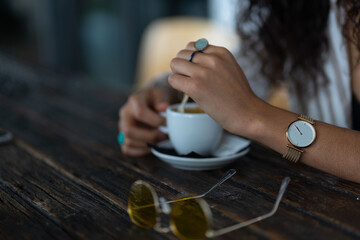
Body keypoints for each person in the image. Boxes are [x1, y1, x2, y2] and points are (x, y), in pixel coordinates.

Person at [118, 0, 360, 183]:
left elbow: (243, 105)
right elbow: (246, 71)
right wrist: (162, 91)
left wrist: (255, 118)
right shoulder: (303, 8)